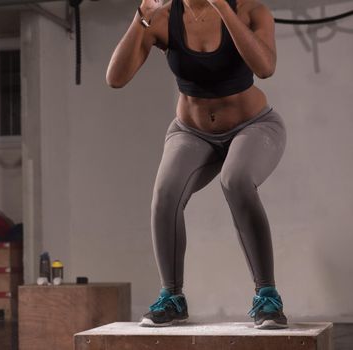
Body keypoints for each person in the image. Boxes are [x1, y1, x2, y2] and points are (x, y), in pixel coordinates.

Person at [106, 0, 288, 329]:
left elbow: (265, 68)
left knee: (236, 180)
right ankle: (172, 298)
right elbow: (115, 79)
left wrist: (223, 8)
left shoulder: (250, 10)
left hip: (254, 126)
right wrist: (140, 19)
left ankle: (268, 296)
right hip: (191, 131)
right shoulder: (161, 18)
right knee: (165, 195)